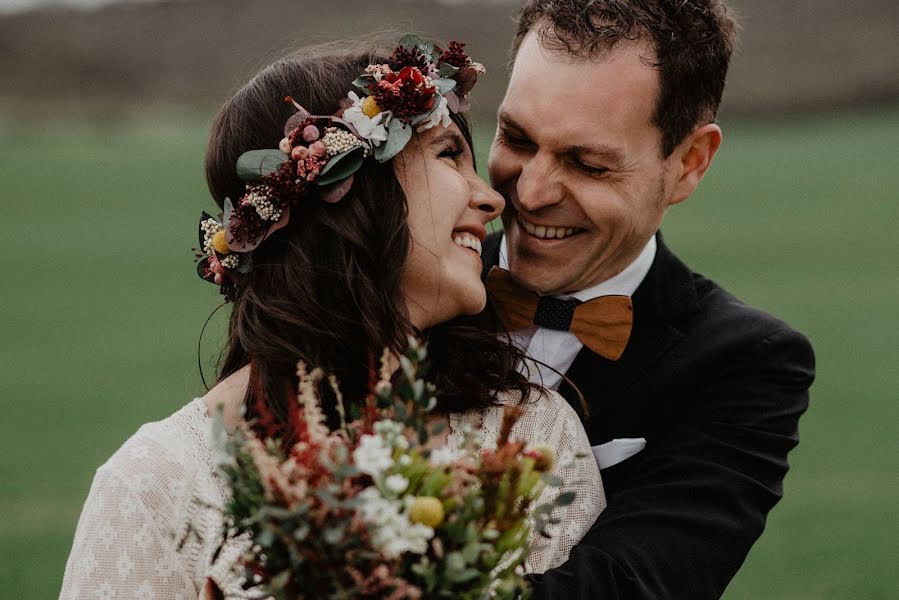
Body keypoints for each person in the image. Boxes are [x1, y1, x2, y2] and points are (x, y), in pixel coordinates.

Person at [58, 37, 605, 599]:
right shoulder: (159, 487)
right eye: (448, 154)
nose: (491, 199)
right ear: (344, 187)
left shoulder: (533, 442)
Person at [481, 1, 816, 598]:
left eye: (587, 164)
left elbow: (628, 587)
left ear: (689, 164)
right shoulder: (389, 284)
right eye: (516, 138)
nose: (529, 193)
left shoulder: (744, 363)